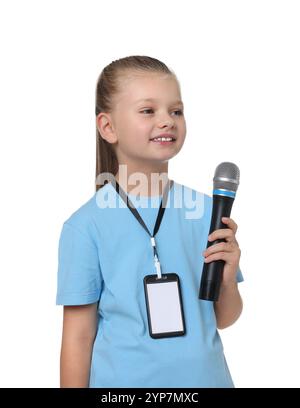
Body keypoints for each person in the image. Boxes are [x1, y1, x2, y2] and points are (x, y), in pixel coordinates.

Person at [56, 55, 244, 388]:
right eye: (148, 111)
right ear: (108, 127)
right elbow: (78, 338)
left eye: (176, 111)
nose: (167, 121)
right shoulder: (86, 225)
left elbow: (224, 318)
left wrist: (227, 280)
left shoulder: (205, 210)